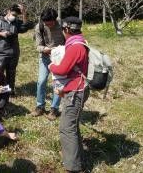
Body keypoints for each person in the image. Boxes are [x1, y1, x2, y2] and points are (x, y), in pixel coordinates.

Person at [49, 17, 89, 173]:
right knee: (72, 127)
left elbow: (62, 69)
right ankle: (76, 158)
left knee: (67, 128)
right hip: (77, 89)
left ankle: (73, 168)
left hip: (76, 92)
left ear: (66, 30)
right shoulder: (81, 42)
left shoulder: (74, 47)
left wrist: (51, 65)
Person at [0, 4, 32, 96]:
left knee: (11, 73)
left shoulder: (16, 22)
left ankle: (10, 91)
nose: (14, 17)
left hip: (13, 53)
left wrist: (24, 14)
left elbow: (25, 27)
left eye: (16, 16)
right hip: (0, 53)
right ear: (8, 11)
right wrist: (1, 33)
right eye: (13, 15)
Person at [31, 8, 65, 121]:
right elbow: (38, 46)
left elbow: (68, 39)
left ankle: (54, 109)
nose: (48, 25)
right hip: (45, 57)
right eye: (46, 23)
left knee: (58, 83)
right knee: (41, 81)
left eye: (50, 23)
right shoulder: (39, 27)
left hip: (59, 58)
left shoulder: (62, 24)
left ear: (55, 20)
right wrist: (46, 49)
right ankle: (40, 106)